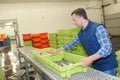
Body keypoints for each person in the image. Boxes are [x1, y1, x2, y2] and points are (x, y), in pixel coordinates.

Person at [50, 8, 118, 76]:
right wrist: (57, 50)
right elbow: (71, 43)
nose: (73, 23)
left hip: (107, 66)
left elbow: (107, 48)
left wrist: (89, 59)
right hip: (96, 65)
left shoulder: (98, 28)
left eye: (74, 20)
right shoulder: (80, 33)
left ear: (81, 18)